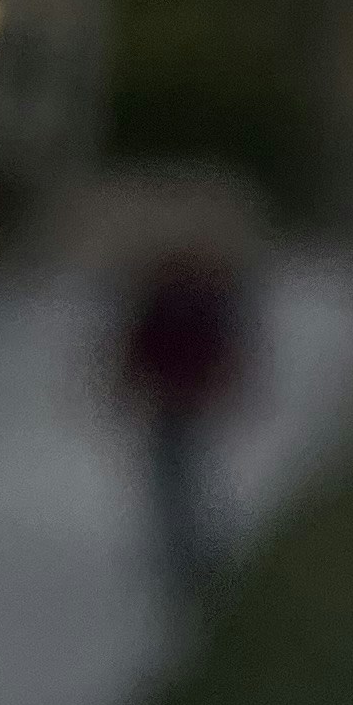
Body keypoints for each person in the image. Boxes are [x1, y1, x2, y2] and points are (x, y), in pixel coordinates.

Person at [114, 246, 252, 604]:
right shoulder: (172, 303)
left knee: (184, 475)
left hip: (183, 399)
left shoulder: (190, 303)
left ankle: (194, 548)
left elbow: (217, 349)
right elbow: (140, 348)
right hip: (174, 399)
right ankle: (188, 549)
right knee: (178, 476)